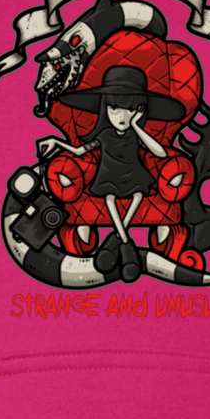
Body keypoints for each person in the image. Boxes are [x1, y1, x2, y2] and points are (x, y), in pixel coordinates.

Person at [38, 64, 184, 282]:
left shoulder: (134, 134)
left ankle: (115, 242)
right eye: (114, 108)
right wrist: (56, 142)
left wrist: (137, 126)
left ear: (139, 110)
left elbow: (160, 153)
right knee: (109, 199)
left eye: (129, 109)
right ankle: (126, 246)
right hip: (109, 178)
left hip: (134, 176)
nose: (121, 116)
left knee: (137, 196)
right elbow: (79, 151)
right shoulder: (104, 135)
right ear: (104, 108)